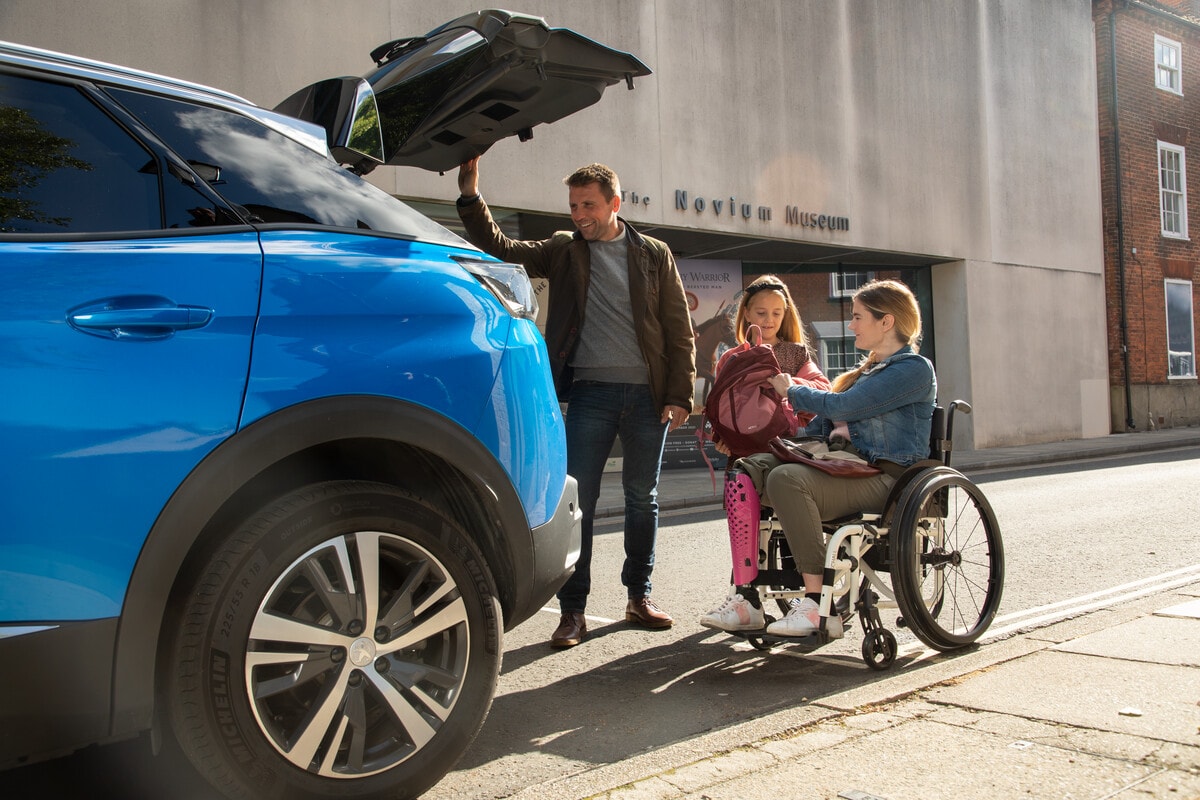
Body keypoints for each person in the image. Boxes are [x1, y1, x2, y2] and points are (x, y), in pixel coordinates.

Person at [455, 156, 697, 648]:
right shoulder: (565, 251)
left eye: (588, 204)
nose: (579, 214)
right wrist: (470, 194)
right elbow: (500, 247)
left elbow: (679, 330)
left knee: (640, 499)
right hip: (591, 394)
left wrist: (679, 393)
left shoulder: (653, 253)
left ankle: (639, 596)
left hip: (649, 399)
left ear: (615, 203)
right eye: (573, 206)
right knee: (579, 503)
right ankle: (573, 611)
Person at [700, 279, 935, 635]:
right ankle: (747, 599)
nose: (852, 324)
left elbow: (843, 406)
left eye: (858, 317)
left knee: (786, 479)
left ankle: (816, 604)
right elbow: (821, 425)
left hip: (886, 478)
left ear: (886, 322)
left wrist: (789, 390)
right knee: (747, 471)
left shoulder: (913, 369)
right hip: (843, 466)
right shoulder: (866, 371)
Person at [709, 275, 831, 461]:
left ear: (784, 314)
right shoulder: (730, 358)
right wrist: (722, 437)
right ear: (747, 314)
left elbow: (824, 392)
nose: (769, 320)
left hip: (788, 448)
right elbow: (720, 406)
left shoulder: (795, 353)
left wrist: (787, 386)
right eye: (761, 313)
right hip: (744, 453)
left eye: (776, 313)